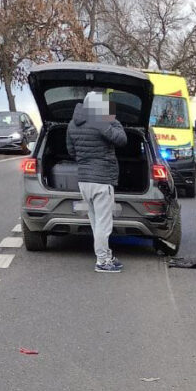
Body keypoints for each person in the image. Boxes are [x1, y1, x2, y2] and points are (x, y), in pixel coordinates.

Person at [66, 91, 127, 273]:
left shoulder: (72, 124)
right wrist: (112, 119)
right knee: (104, 223)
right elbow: (122, 139)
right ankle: (102, 261)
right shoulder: (102, 121)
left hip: (84, 180)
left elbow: (71, 151)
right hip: (102, 179)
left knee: (95, 222)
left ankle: (105, 254)